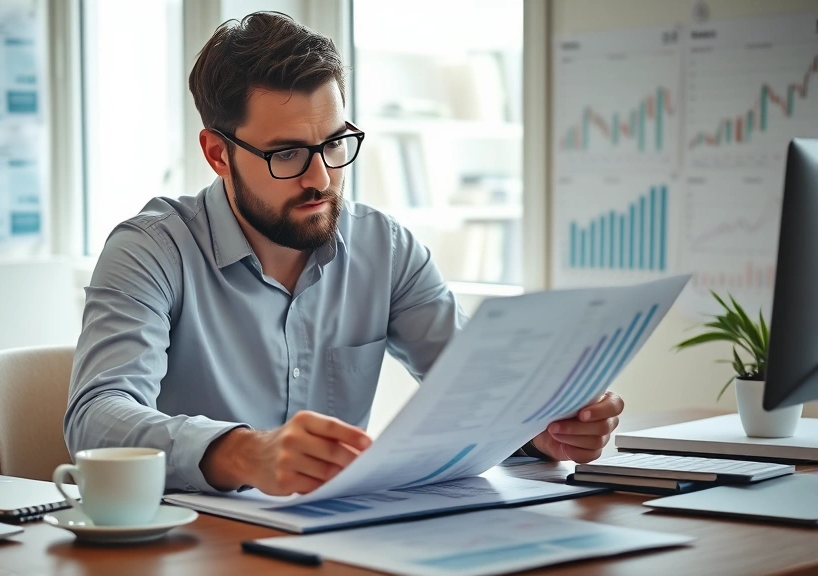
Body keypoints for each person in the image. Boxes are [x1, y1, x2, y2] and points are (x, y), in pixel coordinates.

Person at [65, 12, 624, 496]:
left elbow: (479, 391)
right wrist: (244, 453)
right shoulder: (150, 251)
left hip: (338, 542)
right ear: (217, 153)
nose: (321, 177)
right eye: (287, 153)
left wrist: (538, 428)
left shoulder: (387, 249)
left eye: (334, 143)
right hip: (194, 548)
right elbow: (95, 416)